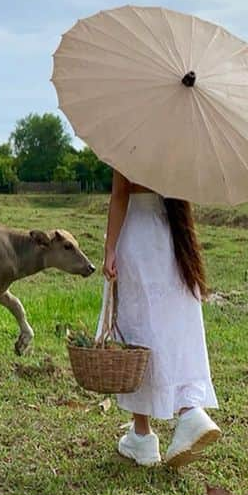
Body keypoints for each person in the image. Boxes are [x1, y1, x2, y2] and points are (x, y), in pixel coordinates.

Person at [101, 169, 220, 467]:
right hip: (175, 238)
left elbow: (120, 194)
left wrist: (110, 248)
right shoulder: (183, 136)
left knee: (137, 330)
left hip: (138, 235)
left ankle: (142, 436)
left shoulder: (133, 133)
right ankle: (190, 410)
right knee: (177, 325)